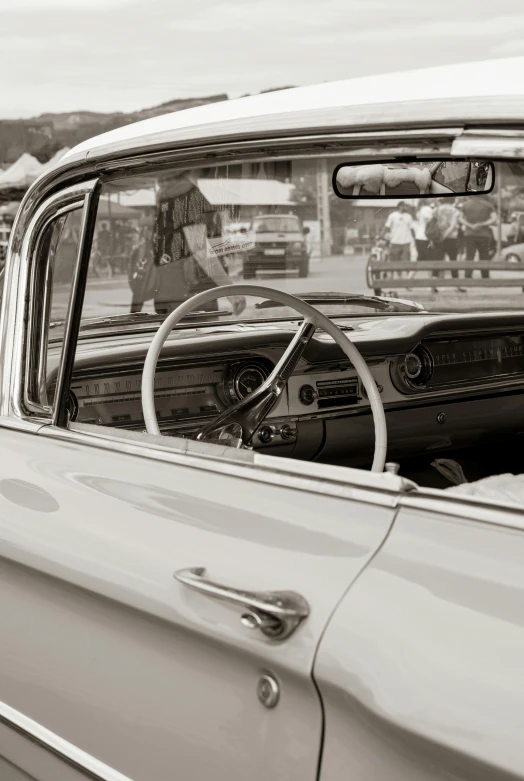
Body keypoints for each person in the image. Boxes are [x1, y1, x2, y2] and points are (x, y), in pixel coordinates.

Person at [460, 196, 497, 280]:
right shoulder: (488, 205)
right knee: (484, 256)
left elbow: (460, 218)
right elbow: (494, 218)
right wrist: (482, 224)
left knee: (469, 256)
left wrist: (470, 226)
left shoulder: (466, 204)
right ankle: (485, 276)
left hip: (469, 233)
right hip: (484, 234)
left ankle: (468, 276)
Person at [434, 197, 466, 292]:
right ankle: (457, 286)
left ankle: (433, 285)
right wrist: (446, 234)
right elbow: (453, 225)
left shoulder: (436, 210)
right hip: (451, 238)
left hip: (438, 237)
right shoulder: (455, 211)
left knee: (437, 261)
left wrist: (442, 235)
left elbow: (434, 223)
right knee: (453, 261)